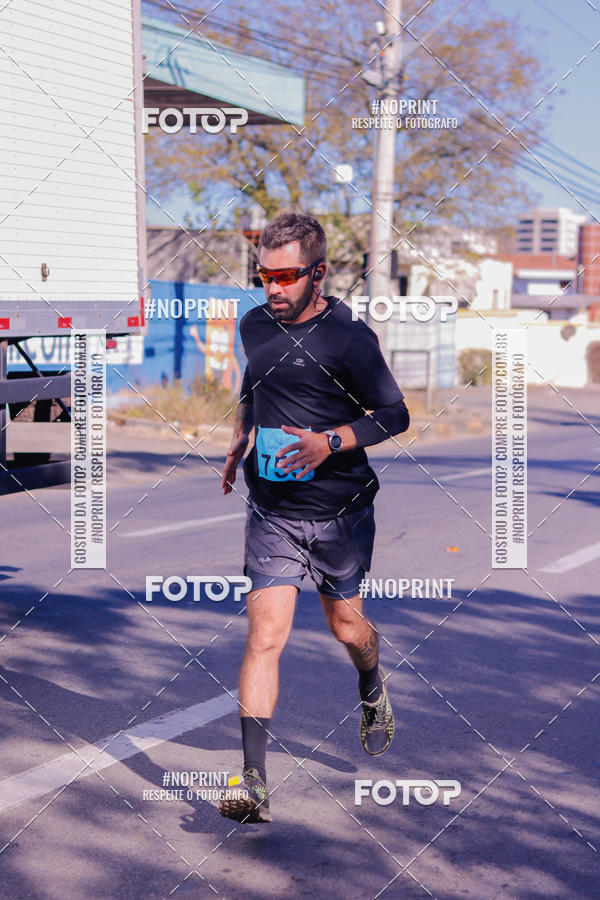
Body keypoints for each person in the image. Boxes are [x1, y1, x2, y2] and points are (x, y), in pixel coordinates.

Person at [219, 212, 409, 824]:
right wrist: (239, 436)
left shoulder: (349, 340)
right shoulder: (254, 325)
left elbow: (395, 415)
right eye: (263, 276)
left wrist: (331, 441)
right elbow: (256, 377)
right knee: (264, 636)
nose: (271, 288)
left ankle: (372, 682)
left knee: (347, 629)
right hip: (272, 508)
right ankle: (252, 783)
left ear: (318, 273)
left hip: (339, 511)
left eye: (284, 276)